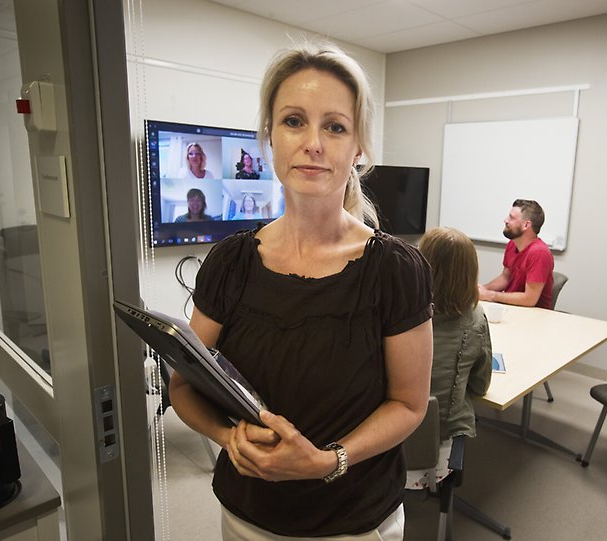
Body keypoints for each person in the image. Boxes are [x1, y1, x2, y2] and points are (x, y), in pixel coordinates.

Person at [168, 39, 433, 540]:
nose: (313, 143)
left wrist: (328, 461)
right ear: (270, 137)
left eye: (335, 126)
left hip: (354, 524)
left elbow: (408, 405)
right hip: (246, 518)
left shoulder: (395, 270)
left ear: (358, 147)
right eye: (294, 121)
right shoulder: (230, 263)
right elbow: (183, 385)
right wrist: (228, 436)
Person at [407, 227, 492, 490]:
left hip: (380, 450)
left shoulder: (393, 310)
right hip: (438, 462)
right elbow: (480, 386)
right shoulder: (475, 320)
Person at [478, 199, 554, 309]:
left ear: (526, 225)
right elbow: (505, 278)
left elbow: (530, 299)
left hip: (533, 313)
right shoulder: (513, 244)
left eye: (511, 218)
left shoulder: (539, 253)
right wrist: (483, 290)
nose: (506, 220)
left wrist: (490, 295)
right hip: (512, 307)